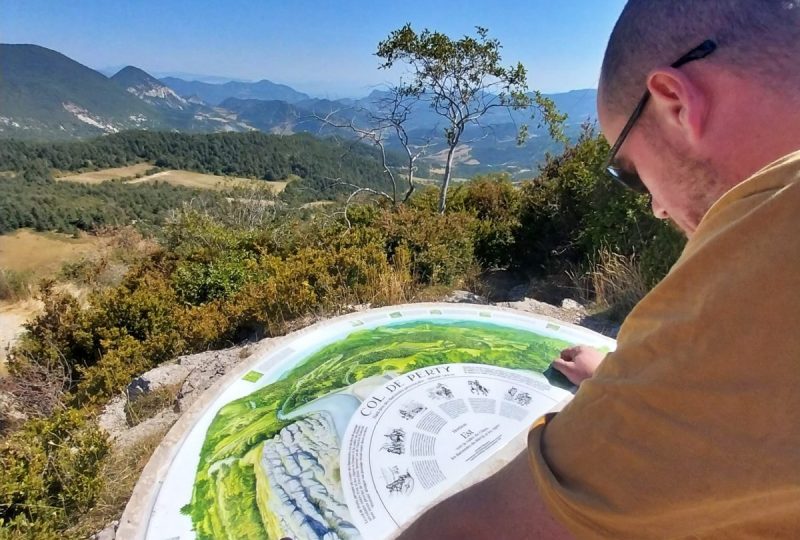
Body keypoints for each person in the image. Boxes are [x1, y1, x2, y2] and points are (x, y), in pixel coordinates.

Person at [396, 1, 800, 537]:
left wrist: (662, 382)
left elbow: (490, 527)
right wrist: (635, 385)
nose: (654, 207)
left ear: (676, 102)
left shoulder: (766, 254)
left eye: (630, 173)